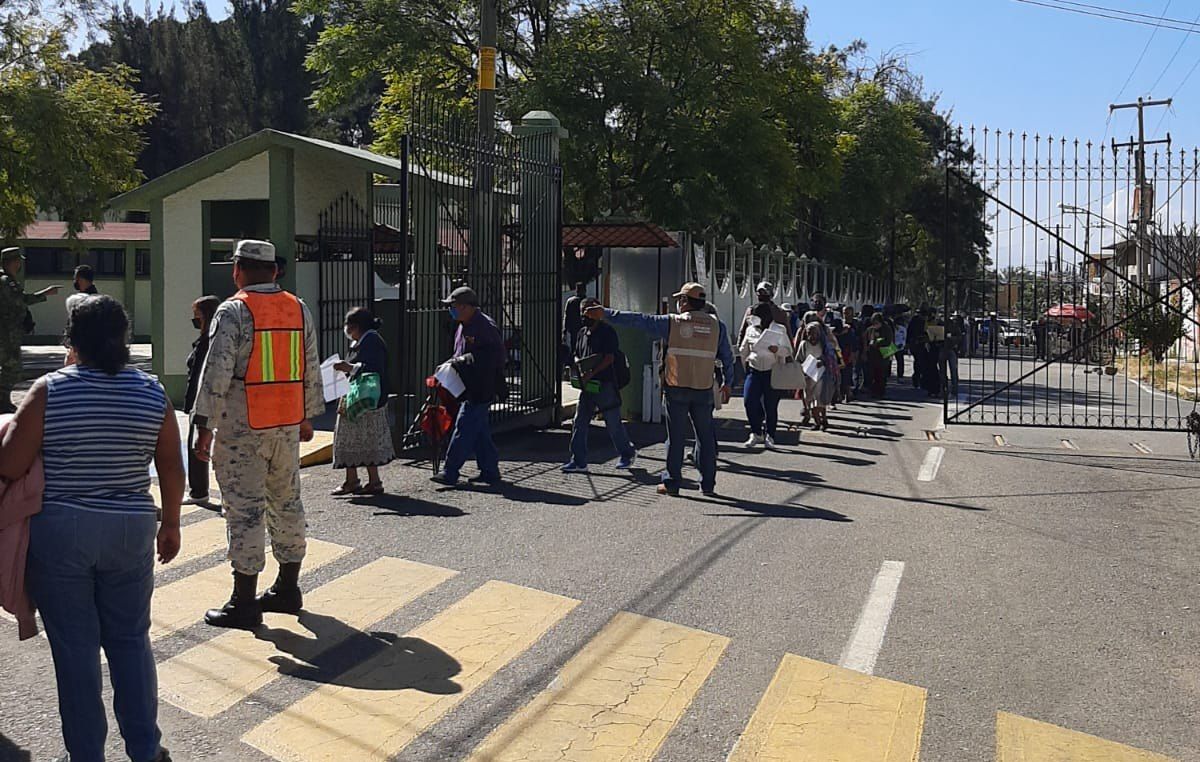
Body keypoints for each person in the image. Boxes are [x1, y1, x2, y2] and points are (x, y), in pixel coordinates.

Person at [0, 294, 182, 762]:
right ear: (124, 338)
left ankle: (86, 754)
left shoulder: (50, 390)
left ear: (72, 340)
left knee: (76, 651)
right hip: (131, 528)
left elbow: (12, 464)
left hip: (62, 532)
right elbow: (169, 467)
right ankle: (145, 749)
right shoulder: (151, 391)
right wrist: (172, 525)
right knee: (130, 641)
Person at [192, 239, 323, 630]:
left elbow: (216, 372)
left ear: (238, 269)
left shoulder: (234, 311)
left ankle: (244, 601)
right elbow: (309, 366)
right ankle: (287, 588)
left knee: (245, 510)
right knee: (287, 503)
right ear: (275, 271)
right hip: (284, 427)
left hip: (242, 428)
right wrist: (305, 416)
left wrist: (204, 426)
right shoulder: (298, 308)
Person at [596, 282, 733, 497]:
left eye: (680, 299)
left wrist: (606, 313)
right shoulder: (717, 326)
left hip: (676, 387)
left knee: (676, 438)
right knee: (705, 438)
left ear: (686, 302)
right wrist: (727, 382)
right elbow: (727, 357)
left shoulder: (673, 323)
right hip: (703, 388)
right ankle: (707, 484)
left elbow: (639, 320)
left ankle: (672, 483)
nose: (678, 303)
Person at [432, 285, 505, 487]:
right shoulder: (464, 324)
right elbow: (460, 354)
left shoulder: (484, 327)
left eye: (453, 306)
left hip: (481, 385)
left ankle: (450, 471)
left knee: (464, 427)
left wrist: (460, 362)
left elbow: (492, 358)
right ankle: (490, 470)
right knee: (479, 429)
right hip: (470, 384)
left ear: (465, 306)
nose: (451, 310)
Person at [563, 297, 636, 473]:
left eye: (588, 311)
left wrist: (591, 373)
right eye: (583, 312)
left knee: (613, 423)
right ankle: (578, 460)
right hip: (587, 386)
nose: (585, 316)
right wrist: (578, 366)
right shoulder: (582, 333)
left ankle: (627, 453)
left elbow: (609, 357)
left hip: (605, 384)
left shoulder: (607, 332)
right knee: (579, 422)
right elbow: (577, 354)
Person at [331, 307, 395, 495]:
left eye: (348, 325)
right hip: (360, 398)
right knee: (364, 441)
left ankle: (357, 481)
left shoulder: (371, 341)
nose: (346, 329)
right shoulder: (363, 341)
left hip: (364, 400)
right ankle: (363, 481)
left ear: (355, 326)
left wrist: (348, 367)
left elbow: (372, 368)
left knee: (352, 439)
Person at [0, 247, 59, 413]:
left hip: (9, 331)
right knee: (12, 367)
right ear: (11, 262)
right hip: (6, 333)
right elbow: (21, 300)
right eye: (18, 261)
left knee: (10, 367)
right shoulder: (6, 281)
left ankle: (3, 400)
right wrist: (45, 293)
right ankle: (2, 400)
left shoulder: (8, 280)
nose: (19, 264)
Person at [183, 295, 221, 506]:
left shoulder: (212, 341)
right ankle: (198, 491)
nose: (194, 320)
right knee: (194, 447)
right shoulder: (204, 339)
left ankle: (210, 493)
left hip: (205, 402)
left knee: (207, 448)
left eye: (197, 316)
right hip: (196, 402)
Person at [738, 301, 792, 449]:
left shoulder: (779, 329)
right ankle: (756, 432)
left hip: (772, 371)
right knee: (749, 401)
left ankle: (770, 435)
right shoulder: (751, 330)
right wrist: (745, 367)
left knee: (770, 405)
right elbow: (744, 350)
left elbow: (788, 350)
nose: (753, 318)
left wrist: (778, 350)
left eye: (756, 315)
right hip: (754, 370)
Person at [797, 321, 836, 430]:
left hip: (821, 377)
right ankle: (820, 420)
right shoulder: (804, 344)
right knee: (809, 399)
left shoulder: (824, 345)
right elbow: (798, 359)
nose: (812, 336)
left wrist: (823, 361)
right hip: (808, 378)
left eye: (814, 333)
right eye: (809, 333)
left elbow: (831, 359)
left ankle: (818, 422)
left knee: (818, 402)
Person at [738, 281, 792, 345]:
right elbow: (788, 333)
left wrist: (740, 345)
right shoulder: (780, 312)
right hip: (772, 349)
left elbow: (743, 331)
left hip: (762, 348)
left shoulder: (751, 310)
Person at [563, 282, 587, 367]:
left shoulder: (570, 301)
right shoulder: (586, 301)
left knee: (574, 346)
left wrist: (564, 330)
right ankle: (581, 364)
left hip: (574, 329)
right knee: (584, 347)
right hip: (585, 329)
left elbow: (566, 316)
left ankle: (574, 364)